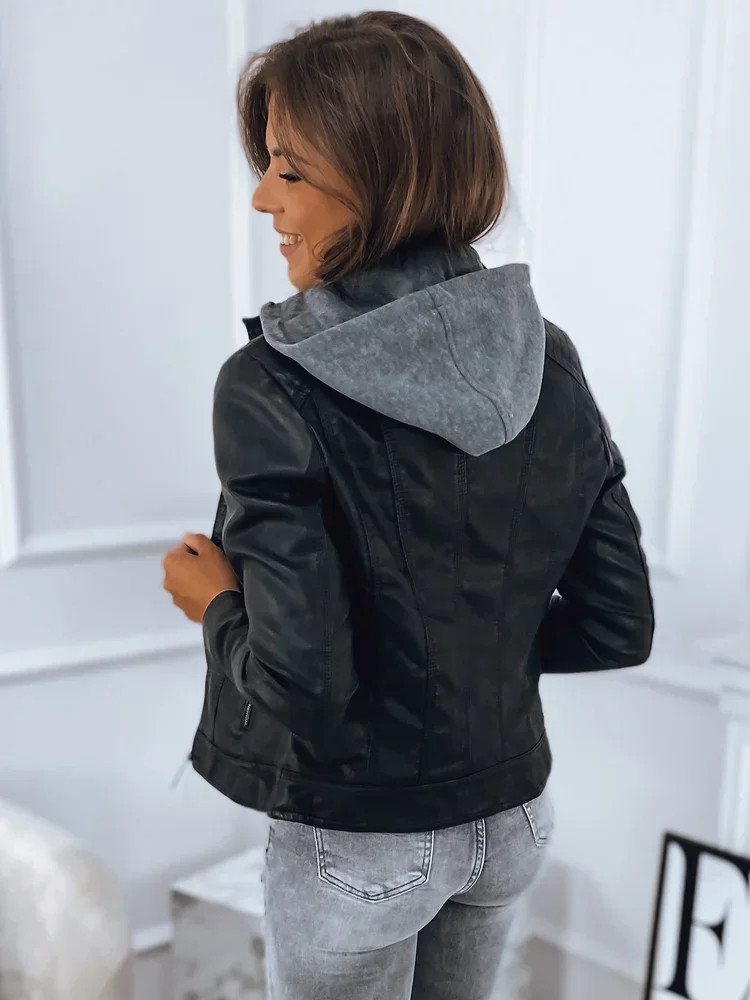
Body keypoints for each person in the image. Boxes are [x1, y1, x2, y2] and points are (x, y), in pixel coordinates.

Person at [161, 10, 655, 999]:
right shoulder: (549, 358)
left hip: (362, 844)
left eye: (290, 170)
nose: (262, 197)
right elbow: (618, 624)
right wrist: (467, 649)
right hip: (511, 818)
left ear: (386, 179)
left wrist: (213, 604)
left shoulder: (270, 385)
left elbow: (304, 689)